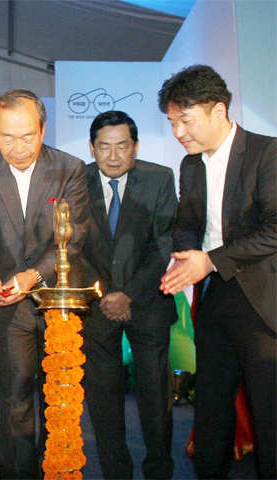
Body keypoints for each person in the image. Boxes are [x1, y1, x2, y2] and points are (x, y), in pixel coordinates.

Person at [0, 89, 90, 479]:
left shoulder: (69, 168)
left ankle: (58, 469)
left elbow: (77, 235)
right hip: (9, 303)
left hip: (57, 299)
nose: (17, 147)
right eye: (7, 137)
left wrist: (33, 275)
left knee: (59, 396)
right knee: (16, 398)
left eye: (27, 136)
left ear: (43, 128)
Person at [159, 64, 276, 478]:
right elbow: (186, 222)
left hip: (261, 303)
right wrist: (186, 256)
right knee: (211, 406)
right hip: (212, 299)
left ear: (218, 110)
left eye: (185, 121)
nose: (178, 133)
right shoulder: (190, 166)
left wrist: (209, 260)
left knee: (268, 411)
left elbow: (275, 230)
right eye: (172, 123)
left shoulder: (267, 153)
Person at [80, 110, 177, 479]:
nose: (114, 155)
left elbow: (163, 243)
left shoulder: (159, 179)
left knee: (156, 401)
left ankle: (158, 472)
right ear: (92, 148)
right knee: (104, 402)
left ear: (135, 147)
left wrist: (130, 294)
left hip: (148, 303)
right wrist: (105, 294)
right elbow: (72, 246)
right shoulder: (77, 180)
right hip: (97, 305)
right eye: (104, 146)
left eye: (123, 146)